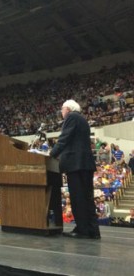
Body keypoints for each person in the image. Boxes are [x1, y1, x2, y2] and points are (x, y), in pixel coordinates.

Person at [50, 99, 100, 239]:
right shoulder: (81, 119)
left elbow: (64, 138)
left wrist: (51, 154)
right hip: (84, 164)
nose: (61, 112)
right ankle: (92, 230)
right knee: (87, 198)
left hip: (76, 165)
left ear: (68, 109)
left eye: (62, 109)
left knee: (78, 198)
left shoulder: (71, 117)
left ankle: (82, 230)